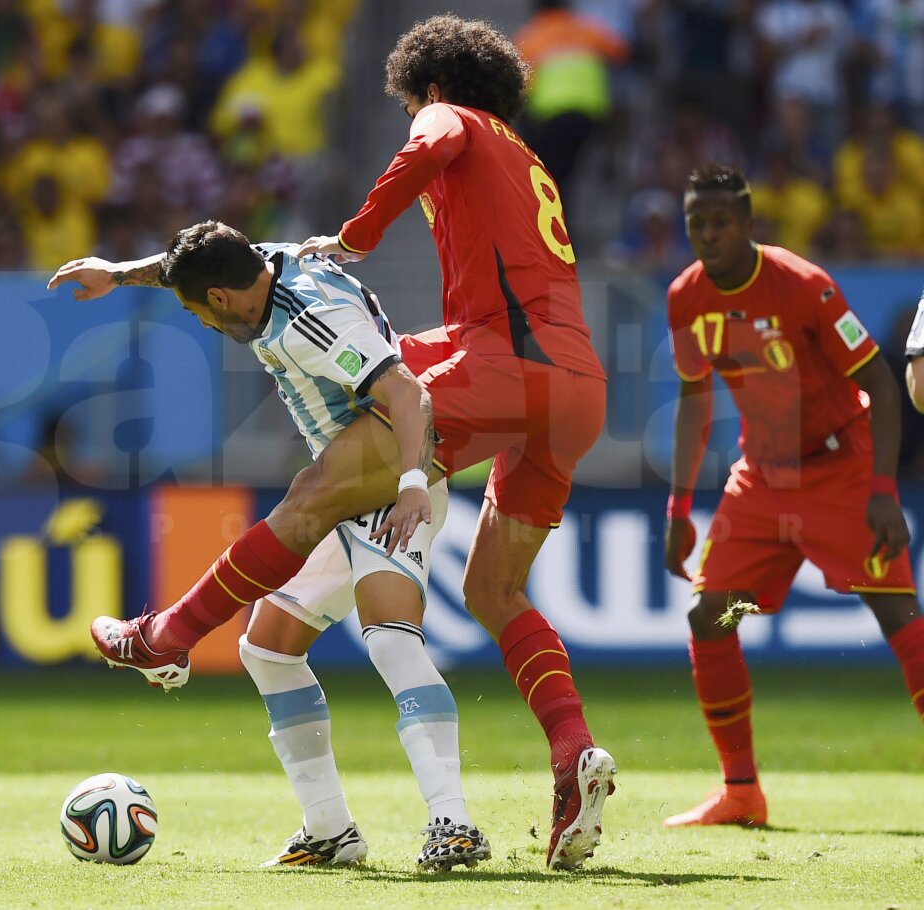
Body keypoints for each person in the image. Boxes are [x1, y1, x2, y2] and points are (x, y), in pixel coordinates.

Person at [48, 15, 616, 872]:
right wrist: (121, 271)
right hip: (576, 386)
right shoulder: (525, 157)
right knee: (494, 589)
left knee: (318, 495)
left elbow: (426, 151)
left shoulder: (449, 117)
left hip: (508, 362)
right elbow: (227, 259)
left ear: (429, 86)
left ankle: (169, 636)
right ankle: (573, 749)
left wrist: (358, 235)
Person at [61, 222, 490, 870]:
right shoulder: (267, 265)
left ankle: (453, 823)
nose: (202, 324)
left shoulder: (309, 321)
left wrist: (409, 485)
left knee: (391, 636)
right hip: (352, 476)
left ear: (224, 298)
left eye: (197, 311)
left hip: (388, 474)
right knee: (268, 649)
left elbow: (406, 392)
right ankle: (330, 831)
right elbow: (186, 266)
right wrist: (118, 272)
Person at [663, 164, 924, 828]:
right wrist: (678, 507)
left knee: (898, 619)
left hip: (842, 469)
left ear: (750, 224)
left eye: (722, 221)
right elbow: (695, 402)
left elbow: (884, 386)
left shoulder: (805, 287)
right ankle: (741, 790)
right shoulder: (686, 297)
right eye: (698, 222)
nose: (710, 234)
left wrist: (883, 489)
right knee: (711, 617)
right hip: (763, 480)